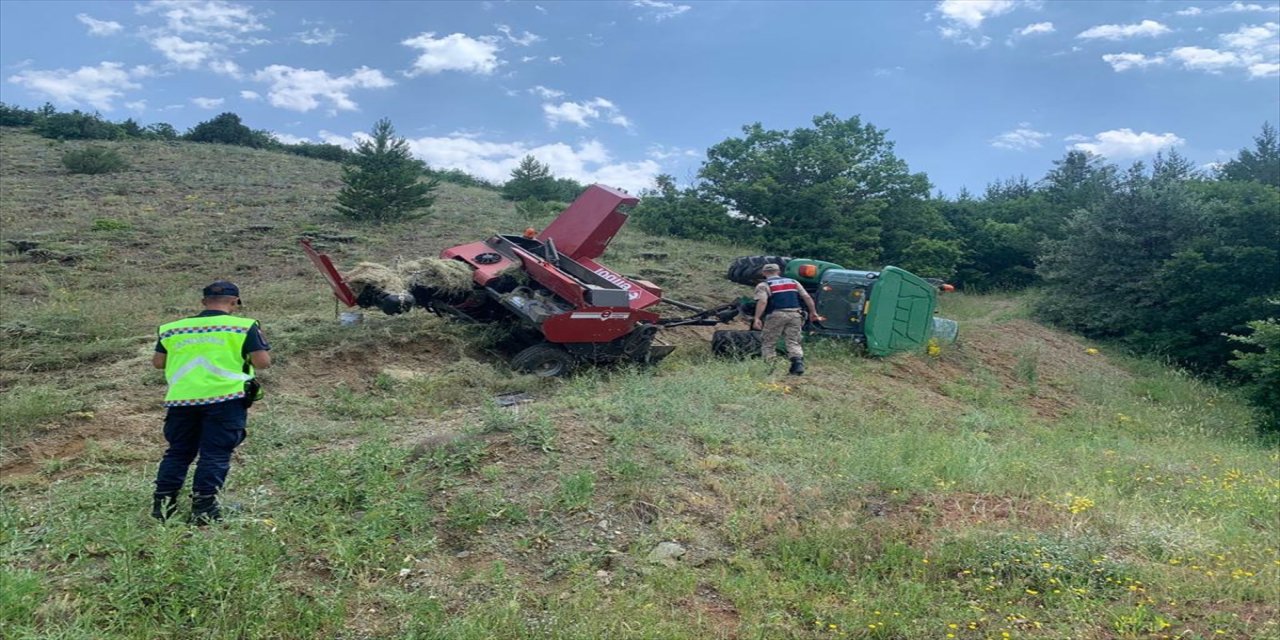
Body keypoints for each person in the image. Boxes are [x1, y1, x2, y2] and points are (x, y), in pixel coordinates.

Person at [151, 281, 270, 524]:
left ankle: (163, 507)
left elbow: (158, 363)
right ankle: (204, 508)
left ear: (203, 302)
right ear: (235, 302)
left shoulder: (172, 329)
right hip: (225, 399)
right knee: (215, 454)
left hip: (181, 400)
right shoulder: (243, 327)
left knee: (178, 452)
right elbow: (262, 362)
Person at [752, 263, 821, 375]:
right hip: (795, 314)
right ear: (779, 272)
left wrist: (757, 318)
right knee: (793, 340)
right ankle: (797, 365)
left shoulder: (763, 285)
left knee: (769, 342)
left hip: (776, 315)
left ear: (764, 273)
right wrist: (813, 312)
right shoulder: (793, 282)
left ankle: (770, 369)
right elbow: (807, 297)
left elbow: (763, 301)